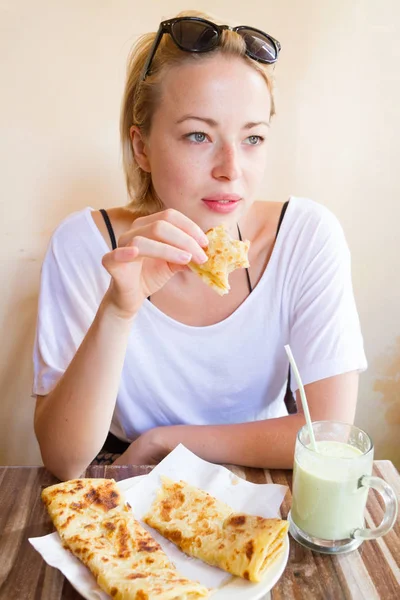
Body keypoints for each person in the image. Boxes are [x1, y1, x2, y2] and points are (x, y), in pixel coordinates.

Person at [33, 10, 367, 481]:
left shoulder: (306, 237)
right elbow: (64, 461)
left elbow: (329, 436)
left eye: (252, 137)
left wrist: (170, 440)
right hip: (131, 483)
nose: (231, 169)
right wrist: (119, 307)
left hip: (266, 482)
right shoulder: (84, 247)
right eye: (198, 135)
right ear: (141, 148)